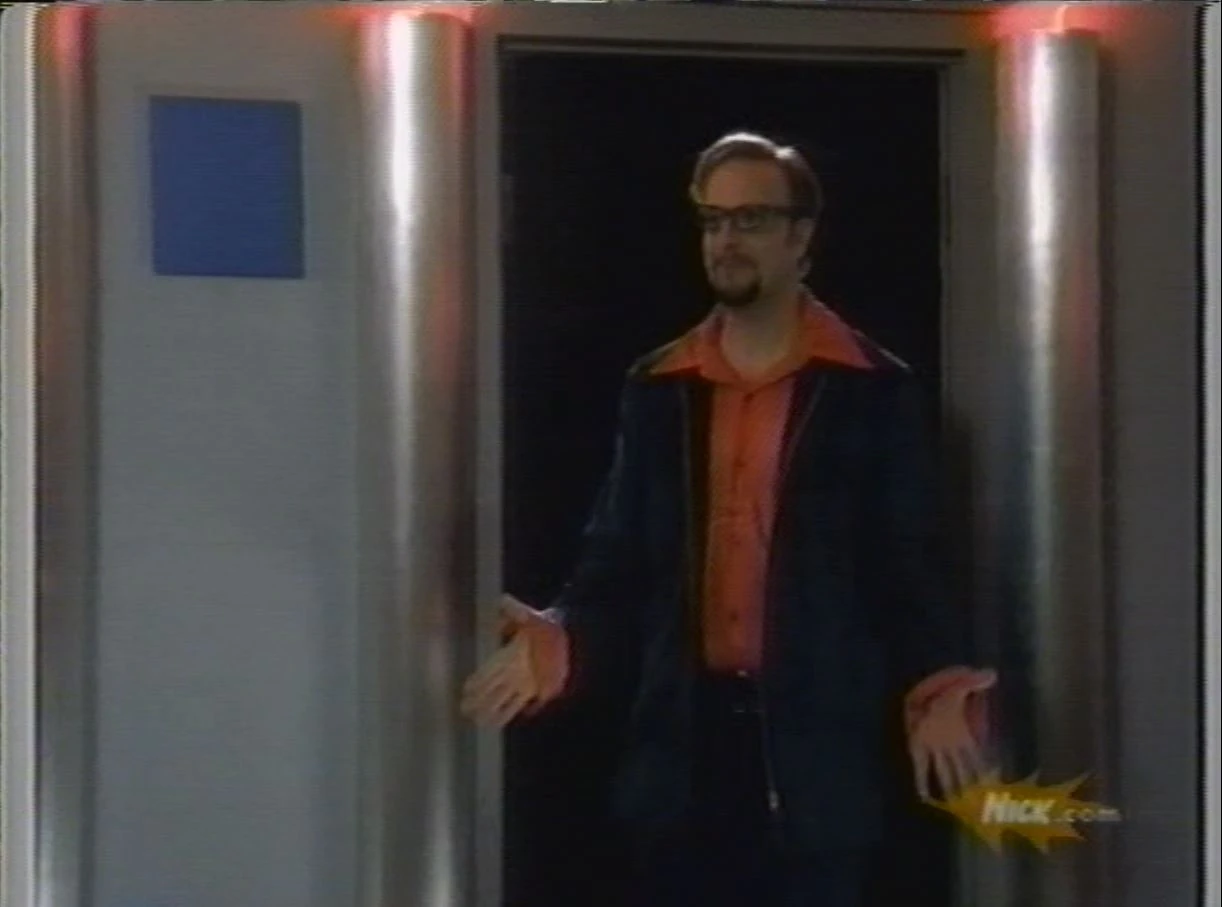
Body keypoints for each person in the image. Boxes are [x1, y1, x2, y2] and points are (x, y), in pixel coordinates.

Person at [462, 131, 995, 907]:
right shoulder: (660, 384)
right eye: (712, 221)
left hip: (816, 754)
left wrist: (940, 683)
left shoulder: (872, 389)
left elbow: (907, 563)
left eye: (749, 220)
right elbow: (616, 556)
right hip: (681, 752)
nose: (725, 240)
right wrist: (564, 630)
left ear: (801, 235)